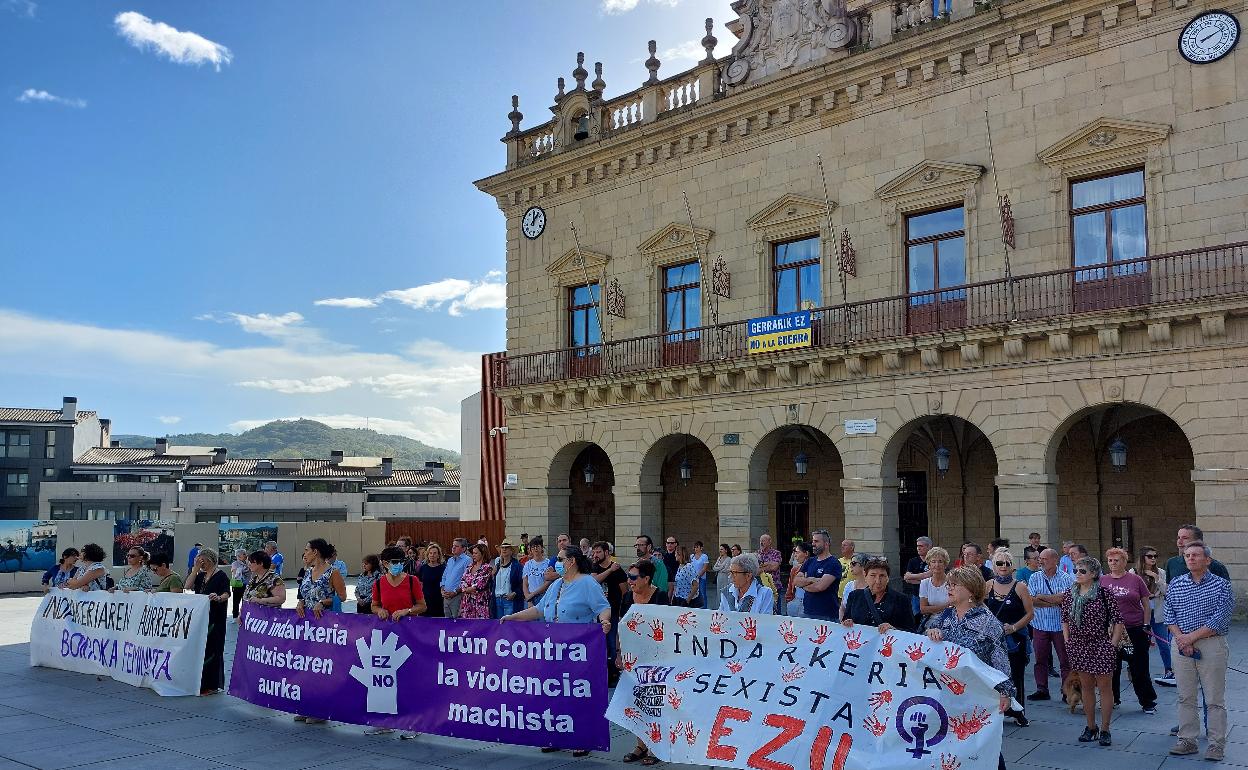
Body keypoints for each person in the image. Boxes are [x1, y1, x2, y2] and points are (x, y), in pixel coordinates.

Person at [502, 548, 610, 760]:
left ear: (571, 561)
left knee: (578, 694)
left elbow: (602, 608)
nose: (555, 563)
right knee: (554, 693)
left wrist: (604, 621)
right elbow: (539, 610)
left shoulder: (588, 583)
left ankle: (582, 737)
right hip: (553, 650)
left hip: (577, 650)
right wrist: (512, 617)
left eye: (560, 559)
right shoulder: (556, 585)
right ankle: (556, 735)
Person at [924, 566, 1015, 770]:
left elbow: (1000, 659)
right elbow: (926, 637)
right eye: (949, 584)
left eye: (955, 584)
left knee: (982, 744)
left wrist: (1005, 692)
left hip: (977, 694)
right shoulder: (947, 615)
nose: (950, 587)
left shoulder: (987, 621)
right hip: (947, 694)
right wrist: (932, 631)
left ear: (972, 590)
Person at [1166, 540, 1234, 762]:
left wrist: (1190, 638)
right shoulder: (1176, 583)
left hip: (1210, 644)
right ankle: (1187, 740)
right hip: (1181, 644)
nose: (1190, 558)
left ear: (1208, 560)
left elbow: (1220, 618)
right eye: (1187, 555)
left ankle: (1216, 744)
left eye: (1195, 555)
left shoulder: (1221, 585)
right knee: (1185, 696)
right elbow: (1169, 615)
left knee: (1214, 698)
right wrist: (1181, 639)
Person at [1062, 556, 1124, 746]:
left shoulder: (1105, 593)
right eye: (1075, 571)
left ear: (1094, 574)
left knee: (1105, 687)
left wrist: (1111, 645)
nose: (1077, 574)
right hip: (1079, 645)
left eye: (1082, 571)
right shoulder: (1069, 594)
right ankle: (1091, 727)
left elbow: (1118, 621)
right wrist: (1068, 641)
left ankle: (1105, 729)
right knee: (1086, 686)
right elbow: (1064, 618)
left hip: (1100, 644)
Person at [617, 559, 669, 766]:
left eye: (633, 577)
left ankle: (655, 746)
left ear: (647, 579)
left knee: (654, 701)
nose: (629, 581)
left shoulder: (660, 596)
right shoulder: (628, 597)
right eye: (628, 577)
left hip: (655, 656)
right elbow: (621, 626)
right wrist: (619, 653)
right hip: (633, 656)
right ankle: (640, 744)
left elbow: (667, 628)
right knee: (636, 702)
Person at [293, 539, 346, 724]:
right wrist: (300, 601)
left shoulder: (333, 571)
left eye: (307, 550)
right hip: (308, 626)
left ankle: (321, 710)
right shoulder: (308, 571)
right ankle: (308, 705)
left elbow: (342, 597)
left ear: (315, 552)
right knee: (307, 666)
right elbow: (304, 594)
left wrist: (323, 602)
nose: (305, 553)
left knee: (321, 668)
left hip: (325, 627)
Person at [1101, 546, 1157, 713]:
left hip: (1134, 628)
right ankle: (1112, 698)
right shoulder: (1103, 580)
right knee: (1112, 666)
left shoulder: (1135, 579)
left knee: (1139, 667)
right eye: (1110, 560)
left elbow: (1146, 604)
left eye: (1116, 560)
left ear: (1124, 561)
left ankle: (1147, 702)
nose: (1112, 563)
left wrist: (1146, 624)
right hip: (1111, 630)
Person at [986, 549, 1034, 727]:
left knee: (1016, 675)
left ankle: (1018, 711)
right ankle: (996, 710)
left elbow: (1030, 614)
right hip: (993, 640)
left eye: (1007, 563)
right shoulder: (987, 585)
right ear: (994, 566)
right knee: (993, 676)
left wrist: (1013, 627)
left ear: (1012, 566)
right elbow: (980, 609)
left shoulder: (1020, 587)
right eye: (1000, 563)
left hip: (1015, 639)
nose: (1003, 566)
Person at [1026, 548, 1073, 701]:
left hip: (1060, 626)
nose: (1041, 561)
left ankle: (1066, 691)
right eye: (1040, 558)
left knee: (1065, 660)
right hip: (1040, 625)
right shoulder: (1035, 577)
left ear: (1055, 560)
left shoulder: (1066, 578)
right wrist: (1053, 599)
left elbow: (1065, 599)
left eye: (1044, 559)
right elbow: (1032, 600)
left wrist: (1043, 597)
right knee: (1040, 659)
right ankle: (1041, 689)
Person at [190, 548, 230, 696]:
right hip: (201, 618)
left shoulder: (221, 576)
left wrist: (219, 597)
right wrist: (194, 570)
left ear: (211, 560)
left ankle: (212, 684)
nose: (202, 564)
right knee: (201, 649)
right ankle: (201, 681)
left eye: (203, 561)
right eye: (199, 561)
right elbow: (187, 586)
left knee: (213, 649)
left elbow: (226, 593)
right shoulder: (200, 576)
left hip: (215, 617)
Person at [1133, 546, 1174, 687]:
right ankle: (1138, 671)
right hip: (1140, 613)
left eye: (1155, 556)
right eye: (1150, 556)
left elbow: (1167, 591)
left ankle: (1169, 670)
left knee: (1163, 643)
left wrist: (1156, 578)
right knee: (1141, 645)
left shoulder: (1160, 572)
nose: (1153, 559)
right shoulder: (1134, 573)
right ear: (1142, 557)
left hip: (1157, 612)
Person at [842, 557, 915, 632]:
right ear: (865, 576)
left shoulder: (901, 600)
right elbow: (845, 621)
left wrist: (894, 629)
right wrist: (847, 623)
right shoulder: (854, 596)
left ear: (888, 578)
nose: (878, 581)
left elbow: (911, 631)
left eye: (882, 576)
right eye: (873, 575)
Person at [591, 540, 627, 682]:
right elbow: (594, 580)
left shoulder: (617, 570)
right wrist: (609, 570)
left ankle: (613, 673)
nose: (595, 555)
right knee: (599, 643)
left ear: (607, 553)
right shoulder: (594, 566)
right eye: (594, 552)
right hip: (597, 612)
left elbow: (625, 592)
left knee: (612, 643)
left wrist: (621, 613)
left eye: (598, 552)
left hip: (613, 611)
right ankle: (601, 672)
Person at [794, 529, 842, 622]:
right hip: (807, 612)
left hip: (827, 615)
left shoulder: (833, 563)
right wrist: (812, 579)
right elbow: (796, 581)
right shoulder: (810, 561)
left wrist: (803, 584)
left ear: (826, 544)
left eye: (816, 541)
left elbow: (820, 587)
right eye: (812, 541)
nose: (813, 544)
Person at [458, 543, 493, 619]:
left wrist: (467, 589)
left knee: (481, 628)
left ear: (483, 554)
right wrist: (466, 589)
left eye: (475, 553)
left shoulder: (487, 568)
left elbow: (480, 584)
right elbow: (462, 581)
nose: (473, 555)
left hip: (480, 603)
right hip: (467, 602)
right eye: (473, 553)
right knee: (468, 627)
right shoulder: (469, 567)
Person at [492, 539, 524, 618]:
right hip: (497, 600)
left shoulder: (517, 566)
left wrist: (514, 593)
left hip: (509, 600)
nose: (504, 549)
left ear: (511, 551)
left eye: (507, 548)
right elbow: (493, 584)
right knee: (499, 626)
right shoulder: (497, 566)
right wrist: (492, 575)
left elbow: (523, 583)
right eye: (502, 548)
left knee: (509, 626)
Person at [440, 538, 471, 618]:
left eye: (456, 546)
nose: (453, 548)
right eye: (453, 546)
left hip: (457, 596)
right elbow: (444, 576)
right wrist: (442, 588)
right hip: (446, 596)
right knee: (447, 623)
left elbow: (466, 580)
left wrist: (455, 592)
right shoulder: (450, 560)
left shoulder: (467, 560)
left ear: (463, 548)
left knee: (457, 622)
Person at [919, 546, 952, 620]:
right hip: (930, 622)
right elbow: (923, 609)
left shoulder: (952, 582)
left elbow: (955, 607)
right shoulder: (925, 583)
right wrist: (946, 606)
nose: (937, 565)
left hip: (950, 620)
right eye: (933, 561)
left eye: (940, 561)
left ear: (945, 564)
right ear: (929, 565)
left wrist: (931, 609)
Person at [903, 536, 932, 618]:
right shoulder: (912, 561)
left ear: (928, 547)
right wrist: (924, 577)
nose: (918, 548)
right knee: (915, 618)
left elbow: (931, 576)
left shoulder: (934, 561)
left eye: (921, 546)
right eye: (917, 546)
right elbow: (906, 579)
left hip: (930, 596)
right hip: (916, 595)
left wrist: (913, 577)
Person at [523, 537, 554, 606]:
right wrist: (528, 599)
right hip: (530, 598)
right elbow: (525, 583)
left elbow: (548, 583)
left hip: (543, 597)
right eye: (533, 547)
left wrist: (533, 594)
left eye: (537, 546)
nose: (535, 548)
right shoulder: (527, 564)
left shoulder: (548, 563)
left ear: (542, 547)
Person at [418, 542, 446, 619]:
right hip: (425, 600)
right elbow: (420, 584)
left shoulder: (443, 568)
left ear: (438, 555)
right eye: (430, 553)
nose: (432, 555)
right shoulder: (423, 568)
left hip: (439, 600)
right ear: (427, 555)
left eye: (434, 553)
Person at [839, 552, 870, 620]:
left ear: (863, 565)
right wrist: (842, 622)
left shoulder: (872, 587)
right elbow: (842, 608)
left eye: (853, 563)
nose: (850, 566)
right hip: (848, 628)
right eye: (850, 563)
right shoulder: (849, 585)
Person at [756, 534, 783, 611]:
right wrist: (769, 564)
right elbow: (756, 569)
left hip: (774, 585)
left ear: (769, 542)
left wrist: (762, 566)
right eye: (760, 541)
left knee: (776, 609)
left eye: (763, 541)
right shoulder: (757, 554)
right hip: (761, 586)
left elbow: (774, 567)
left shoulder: (776, 553)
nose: (761, 543)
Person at [786, 541, 811, 618]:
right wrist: (789, 602)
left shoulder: (815, 569)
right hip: (795, 602)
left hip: (809, 604)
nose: (795, 555)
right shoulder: (795, 569)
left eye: (797, 552)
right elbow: (790, 588)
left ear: (806, 553)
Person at [228, 549, 248, 619]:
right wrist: (242, 569)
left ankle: (244, 615)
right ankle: (235, 616)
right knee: (236, 601)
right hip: (238, 584)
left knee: (245, 601)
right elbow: (235, 574)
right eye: (244, 554)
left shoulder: (247, 563)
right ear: (239, 556)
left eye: (245, 554)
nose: (246, 555)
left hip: (246, 584)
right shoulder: (235, 563)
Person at [711, 544, 732, 611]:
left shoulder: (729, 559)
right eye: (720, 549)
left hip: (725, 578)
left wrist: (719, 568)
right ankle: (719, 608)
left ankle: (726, 609)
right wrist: (721, 567)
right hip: (719, 578)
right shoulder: (719, 558)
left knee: (725, 594)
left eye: (722, 549)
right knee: (719, 594)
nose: (720, 550)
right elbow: (714, 568)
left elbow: (726, 569)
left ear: (726, 550)